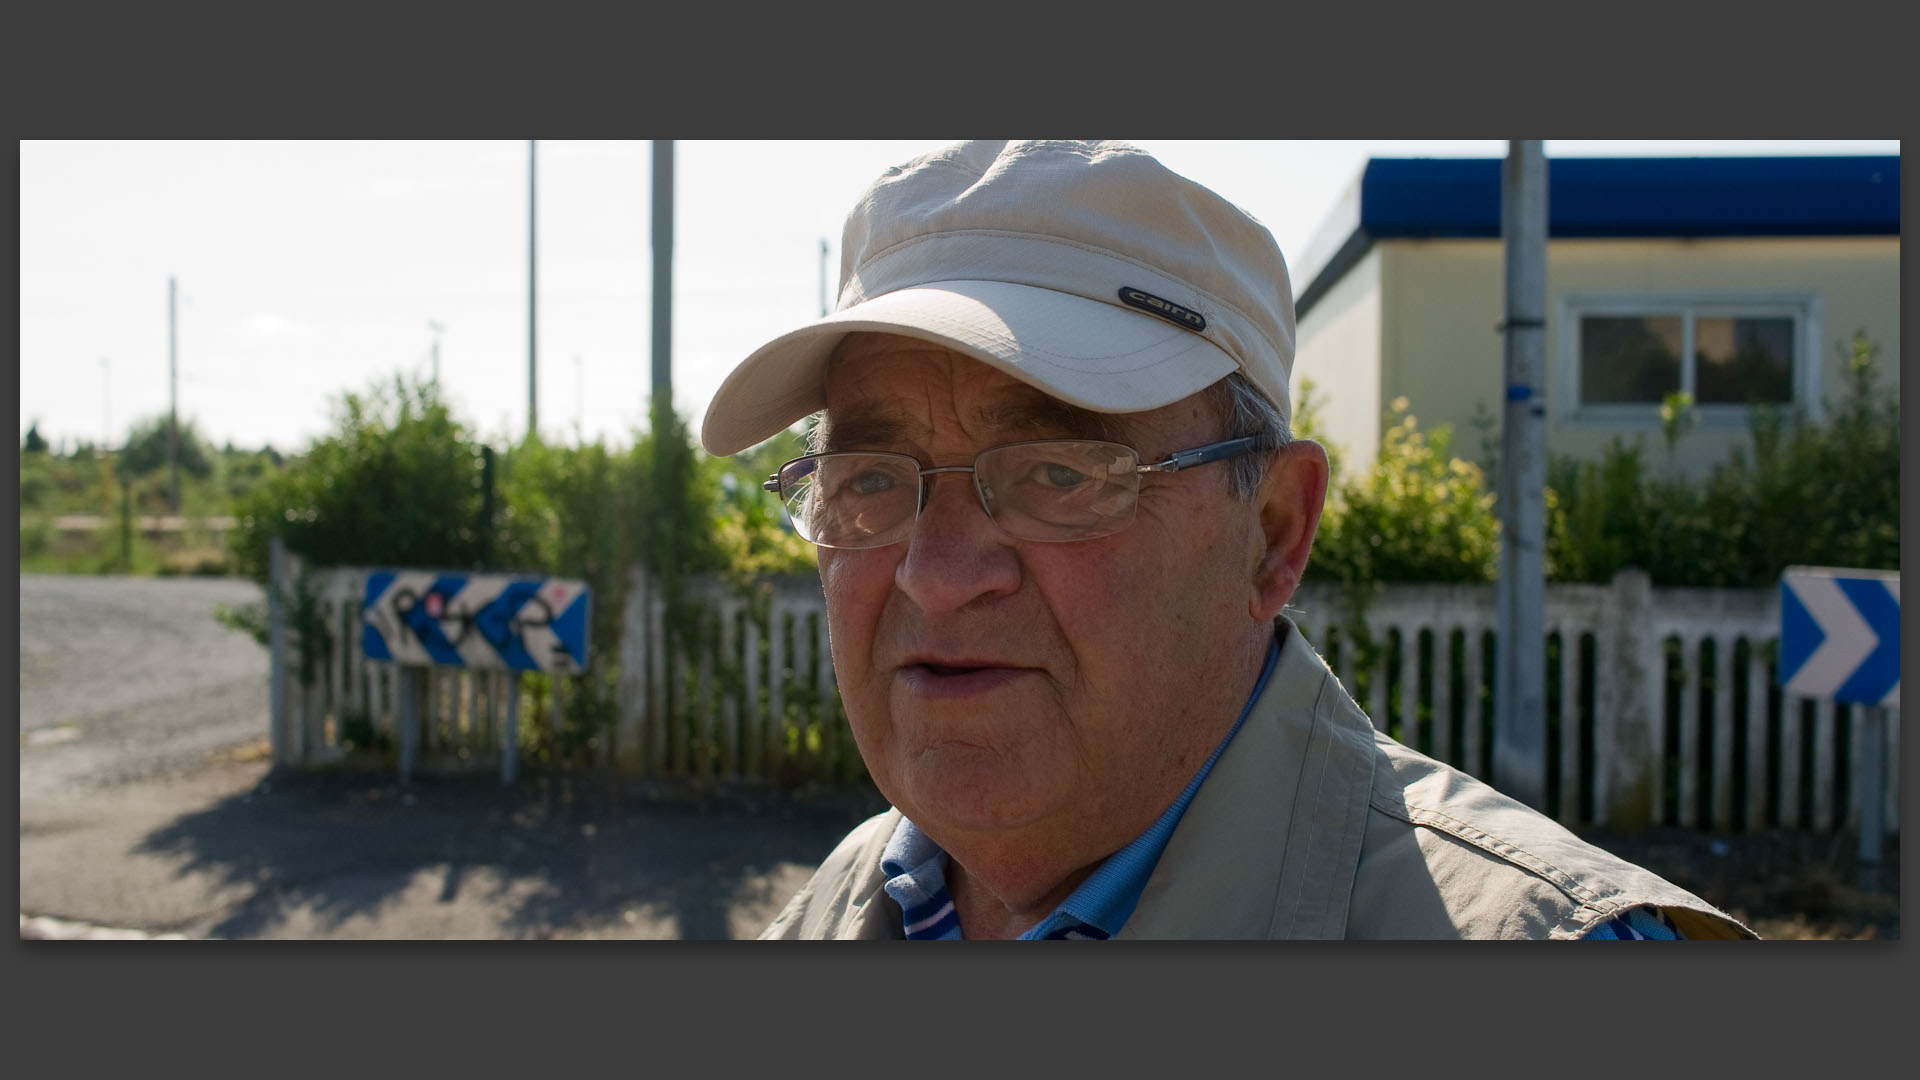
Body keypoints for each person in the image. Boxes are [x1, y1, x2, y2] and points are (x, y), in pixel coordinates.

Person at [700, 140, 1753, 940]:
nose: (934, 576)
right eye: (870, 481)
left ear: (1274, 534)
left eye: (1060, 474)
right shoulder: (843, 904)